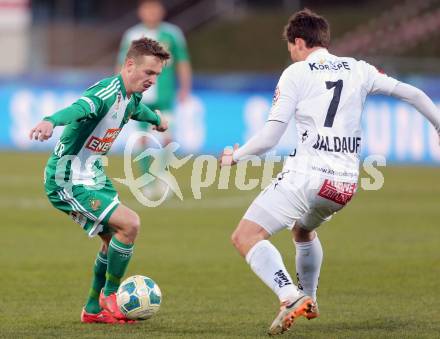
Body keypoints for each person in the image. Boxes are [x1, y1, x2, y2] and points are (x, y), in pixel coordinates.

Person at [219, 9, 440, 335]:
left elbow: (270, 137)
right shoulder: (358, 69)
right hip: (343, 185)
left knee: (245, 236)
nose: (291, 53)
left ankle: (289, 295)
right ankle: (309, 298)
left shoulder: (296, 73)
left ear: (298, 42)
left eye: (290, 47)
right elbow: (413, 93)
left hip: (306, 176)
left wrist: (235, 157)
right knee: (303, 232)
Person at [29, 37, 170, 324]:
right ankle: (110, 295)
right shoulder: (106, 93)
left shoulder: (131, 97)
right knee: (130, 224)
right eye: (149, 73)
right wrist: (50, 120)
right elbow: (79, 108)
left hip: (93, 174)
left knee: (113, 240)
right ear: (130, 65)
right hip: (67, 178)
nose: (153, 80)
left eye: (157, 74)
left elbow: (134, 111)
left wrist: (155, 118)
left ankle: (92, 309)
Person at [117, 0, 192, 198]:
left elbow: (183, 62)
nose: (151, 12)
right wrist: (120, 91)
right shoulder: (132, 35)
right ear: (141, 11)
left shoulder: (172, 34)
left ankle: (162, 177)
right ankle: (147, 181)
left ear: (161, 11)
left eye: (154, 8)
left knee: (167, 138)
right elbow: (122, 65)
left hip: (165, 96)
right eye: (147, 8)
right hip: (139, 97)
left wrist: (185, 88)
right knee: (142, 139)